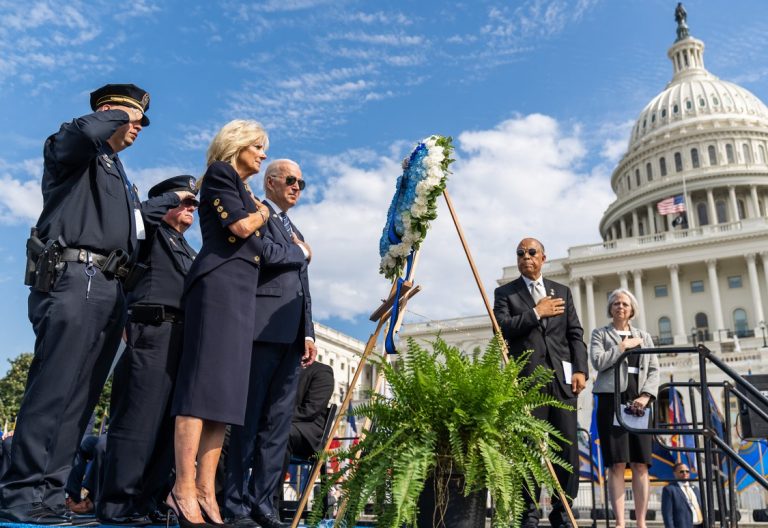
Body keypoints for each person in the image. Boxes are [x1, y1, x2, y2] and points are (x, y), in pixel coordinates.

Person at [0, 84, 191, 525]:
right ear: (108, 112)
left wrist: (179, 195)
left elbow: (139, 224)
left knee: (79, 398)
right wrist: (118, 113)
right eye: (133, 118)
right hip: (74, 276)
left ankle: (49, 494)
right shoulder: (73, 150)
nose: (139, 126)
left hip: (108, 285)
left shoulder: (118, 172)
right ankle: (23, 491)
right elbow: (84, 132)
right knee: (55, 388)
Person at [169, 120, 299, 528]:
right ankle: (183, 487)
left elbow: (264, 248)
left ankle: (208, 490)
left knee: (223, 402)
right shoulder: (221, 176)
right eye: (258, 147)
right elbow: (241, 227)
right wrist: (263, 212)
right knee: (198, 392)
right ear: (237, 144)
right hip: (218, 287)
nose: (262, 154)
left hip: (242, 297)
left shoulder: (243, 190)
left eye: (264, 148)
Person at [97, 176, 200, 525]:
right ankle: (118, 504)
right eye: (184, 202)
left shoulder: (188, 249)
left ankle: (149, 500)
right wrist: (171, 197)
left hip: (181, 340)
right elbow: (138, 216)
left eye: (192, 204)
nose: (189, 208)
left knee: (169, 427)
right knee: (138, 421)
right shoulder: (149, 232)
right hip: (152, 331)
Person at [224, 159, 316, 528]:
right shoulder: (255, 213)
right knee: (247, 422)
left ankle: (263, 504)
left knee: (277, 426)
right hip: (260, 333)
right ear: (271, 182)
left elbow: (302, 290)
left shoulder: (294, 227)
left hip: (291, 337)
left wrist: (307, 332)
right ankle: (234, 504)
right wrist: (304, 252)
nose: (297, 187)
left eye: (302, 183)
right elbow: (265, 256)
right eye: (291, 180)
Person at [493, 237, 588, 528]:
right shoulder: (505, 294)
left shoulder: (562, 292)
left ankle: (563, 514)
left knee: (567, 448)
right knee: (529, 450)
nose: (526, 257)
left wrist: (580, 370)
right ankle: (529, 515)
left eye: (531, 252)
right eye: (520, 253)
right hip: (527, 383)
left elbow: (575, 335)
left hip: (561, 382)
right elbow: (502, 329)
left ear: (543, 258)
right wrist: (537, 312)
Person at [590, 288, 660, 528]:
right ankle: (620, 522)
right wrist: (622, 346)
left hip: (638, 401)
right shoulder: (600, 334)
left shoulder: (645, 336)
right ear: (610, 308)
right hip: (611, 400)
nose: (620, 307)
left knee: (641, 462)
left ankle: (641, 522)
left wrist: (647, 396)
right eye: (616, 303)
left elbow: (654, 369)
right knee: (617, 462)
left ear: (632, 310)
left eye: (625, 304)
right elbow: (598, 361)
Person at [662, 462, 703, 528]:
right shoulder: (669, 489)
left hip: (700, 525)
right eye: (681, 471)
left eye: (687, 471)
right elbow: (667, 514)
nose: (685, 473)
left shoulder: (695, 489)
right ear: (675, 473)